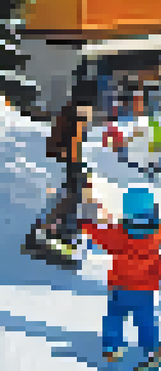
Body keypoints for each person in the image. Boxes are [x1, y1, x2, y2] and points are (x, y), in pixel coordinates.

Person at [82, 188, 161, 364]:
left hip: (120, 289)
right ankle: (152, 349)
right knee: (146, 321)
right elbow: (158, 262)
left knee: (115, 317)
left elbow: (100, 235)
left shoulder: (118, 234)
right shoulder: (152, 239)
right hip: (144, 292)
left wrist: (86, 225)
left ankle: (112, 347)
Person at [25, 83, 97, 269]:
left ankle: (49, 236)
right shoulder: (79, 114)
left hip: (64, 162)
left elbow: (60, 140)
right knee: (70, 200)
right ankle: (56, 238)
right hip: (70, 163)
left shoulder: (68, 111)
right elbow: (74, 143)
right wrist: (79, 167)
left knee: (66, 201)